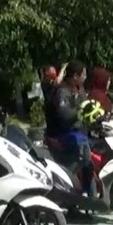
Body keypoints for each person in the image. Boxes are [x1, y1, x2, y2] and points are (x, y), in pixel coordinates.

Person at [45, 61, 91, 193]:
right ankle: (64, 182)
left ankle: (86, 191)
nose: (85, 77)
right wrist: (81, 112)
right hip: (60, 134)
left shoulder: (79, 90)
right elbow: (64, 115)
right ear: (75, 76)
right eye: (83, 74)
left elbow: (87, 106)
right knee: (82, 150)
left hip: (75, 131)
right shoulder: (62, 91)